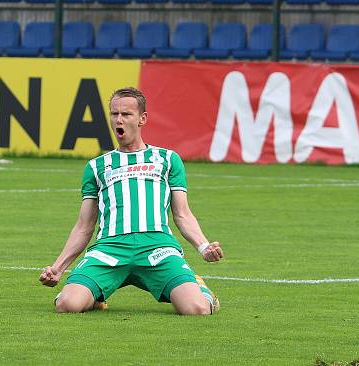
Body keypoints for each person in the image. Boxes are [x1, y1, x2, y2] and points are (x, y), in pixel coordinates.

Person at [39, 87, 224, 315]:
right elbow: (84, 226)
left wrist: (203, 246)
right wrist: (58, 268)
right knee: (67, 305)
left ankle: (202, 289)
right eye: (114, 114)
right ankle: (94, 294)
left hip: (158, 248)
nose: (119, 119)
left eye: (126, 114)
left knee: (197, 309)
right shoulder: (97, 166)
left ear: (142, 118)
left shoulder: (167, 159)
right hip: (109, 249)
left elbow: (182, 214)